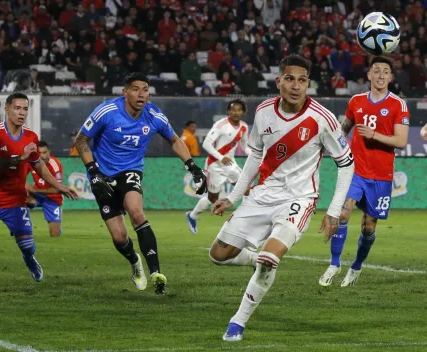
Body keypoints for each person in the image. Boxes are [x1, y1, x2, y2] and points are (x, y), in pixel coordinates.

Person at [209, 55, 354, 341]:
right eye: (290, 78)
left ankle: (237, 322)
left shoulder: (322, 119)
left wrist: (333, 211)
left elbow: (346, 163)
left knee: (269, 258)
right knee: (218, 255)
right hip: (263, 194)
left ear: (308, 84)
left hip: (299, 198)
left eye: (302, 80)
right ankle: (255, 259)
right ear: (279, 82)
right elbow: (255, 156)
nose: (296, 86)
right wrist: (234, 197)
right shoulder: (263, 111)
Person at [74, 72, 207, 294]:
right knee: (119, 237)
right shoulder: (107, 111)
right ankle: (135, 261)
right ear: (125, 92)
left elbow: (174, 139)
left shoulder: (154, 115)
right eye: (136, 89)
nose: (141, 94)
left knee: (136, 212)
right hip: (103, 175)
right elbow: (81, 140)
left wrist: (193, 167)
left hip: (131, 171)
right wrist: (93, 172)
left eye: (145, 89)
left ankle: (156, 272)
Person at [0, 93, 77, 281]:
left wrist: (59, 186)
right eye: (17, 108)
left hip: (14, 202)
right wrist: (20, 157)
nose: (21, 113)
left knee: (27, 246)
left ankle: (30, 260)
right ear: (7, 109)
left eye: (25, 109)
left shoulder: (31, 137)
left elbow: (39, 166)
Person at [319, 56, 410, 287]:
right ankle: (334, 263)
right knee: (343, 213)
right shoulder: (356, 101)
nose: (380, 75)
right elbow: (343, 130)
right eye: (376, 71)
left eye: (385, 71)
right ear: (368, 75)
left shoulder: (398, 105)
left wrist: (374, 135)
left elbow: (401, 140)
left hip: (381, 176)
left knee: (368, 227)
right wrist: (329, 144)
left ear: (390, 77)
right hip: (355, 170)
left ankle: (356, 267)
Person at [186, 99, 250, 234]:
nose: (235, 112)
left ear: (243, 112)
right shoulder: (220, 125)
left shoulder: (244, 127)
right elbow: (206, 144)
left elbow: (244, 146)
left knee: (245, 188)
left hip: (230, 164)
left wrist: (253, 155)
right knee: (212, 198)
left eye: (239, 110)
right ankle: (192, 216)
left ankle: (245, 218)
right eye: (233, 110)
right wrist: (221, 157)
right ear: (228, 111)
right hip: (215, 164)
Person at [26, 141, 65, 237]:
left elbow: (57, 189)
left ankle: (57, 228)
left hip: (53, 198)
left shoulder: (55, 164)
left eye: (45, 152)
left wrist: (35, 190)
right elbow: (18, 177)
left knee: (54, 235)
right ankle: (23, 229)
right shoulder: (31, 162)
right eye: (40, 153)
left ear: (49, 152)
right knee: (17, 202)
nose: (42, 156)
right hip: (37, 195)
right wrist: (26, 186)